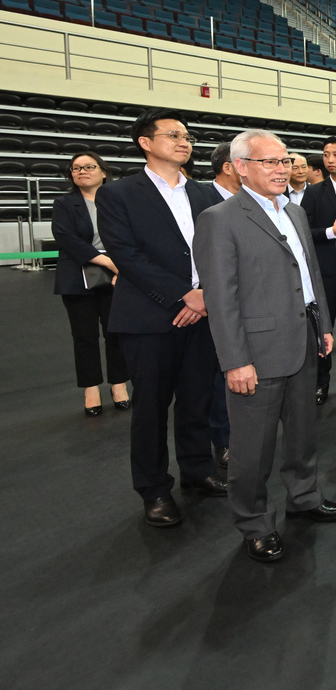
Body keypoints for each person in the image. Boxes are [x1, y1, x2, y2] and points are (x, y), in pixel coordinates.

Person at [193, 130, 336, 564]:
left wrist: (323, 325)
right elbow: (221, 298)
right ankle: (255, 523)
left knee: (302, 434)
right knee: (252, 448)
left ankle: (304, 496)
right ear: (241, 167)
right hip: (256, 353)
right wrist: (235, 360)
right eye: (271, 162)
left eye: (285, 161)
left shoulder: (295, 212)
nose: (283, 169)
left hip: (303, 340)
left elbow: (310, 273)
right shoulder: (220, 219)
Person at [96, 109, 226, 527]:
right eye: (173, 134)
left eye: (187, 136)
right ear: (146, 143)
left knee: (197, 399)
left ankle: (197, 469)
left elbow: (221, 250)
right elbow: (127, 255)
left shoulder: (206, 194)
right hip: (149, 318)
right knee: (151, 408)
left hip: (203, 313)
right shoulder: (118, 194)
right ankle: (153, 489)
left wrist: (205, 297)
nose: (184, 141)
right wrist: (184, 295)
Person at [51, 152, 130, 417]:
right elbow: (66, 238)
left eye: (88, 166)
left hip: (118, 276)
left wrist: (121, 267)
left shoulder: (118, 201)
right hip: (77, 276)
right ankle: (91, 389)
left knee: (115, 333)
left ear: (103, 172)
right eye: (76, 168)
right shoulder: (64, 203)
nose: (81, 171)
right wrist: (108, 263)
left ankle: (119, 384)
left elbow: (128, 236)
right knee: (84, 337)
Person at [301, 136, 336, 406]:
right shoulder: (313, 193)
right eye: (326, 154)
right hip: (325, 274)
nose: (330, 159)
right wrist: (330, 232)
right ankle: (322, 382)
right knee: (323, 330)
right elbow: (302, 232)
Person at [207, 143, 240, 470]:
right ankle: (223, 439)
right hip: (211, 301)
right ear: (229, 167)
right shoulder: (201, 200)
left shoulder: (260, 201)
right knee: (220, 373)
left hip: (254, 301)